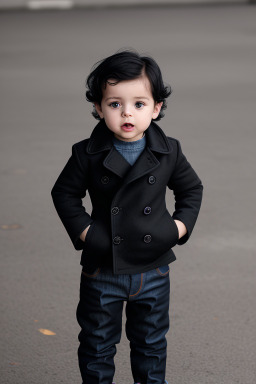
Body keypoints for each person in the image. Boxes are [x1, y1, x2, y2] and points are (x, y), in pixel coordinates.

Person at [51, 50, 203, 384]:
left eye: (139, 103)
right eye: (115, 104)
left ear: (156, 107)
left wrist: (178, 228)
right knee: (96, 345)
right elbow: (64, 193)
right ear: (98, 107)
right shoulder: (85, 153)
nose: (127, 113)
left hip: (154, 267)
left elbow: (191, 190)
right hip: (103, 267)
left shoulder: (169, 151)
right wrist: (87, 233)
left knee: (150, 345)